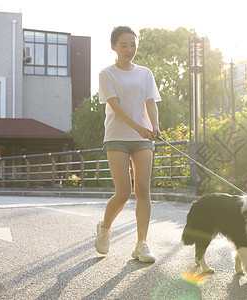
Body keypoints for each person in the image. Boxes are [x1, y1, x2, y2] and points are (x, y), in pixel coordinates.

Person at [95, 26, 161, 263]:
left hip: (143, 139)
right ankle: (104, 229)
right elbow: (116, 107)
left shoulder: (145, 73)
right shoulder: (107, 74)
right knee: (123, 192)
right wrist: (140, 128)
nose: (129, 50)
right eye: (124, 45)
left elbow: (151, 102)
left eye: (133, 45)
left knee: (143, 189)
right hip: (117, 137)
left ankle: (141, 244)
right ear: (114, 46)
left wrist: (155, 126)